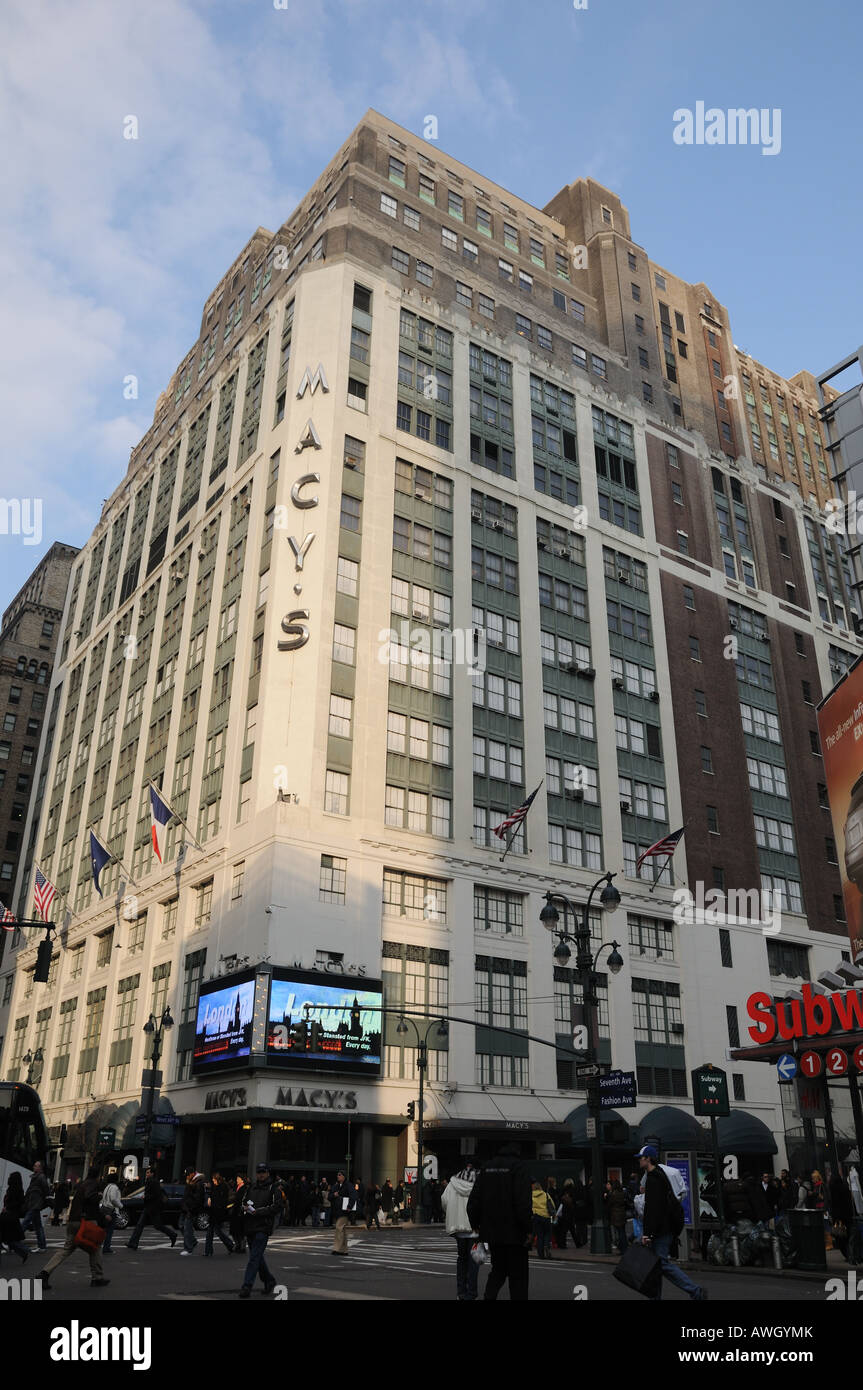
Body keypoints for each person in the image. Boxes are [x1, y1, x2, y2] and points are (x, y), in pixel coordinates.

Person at [637, 1146, 707, 1301]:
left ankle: (695, 1291)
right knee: (656, 1266)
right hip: (665, 1228)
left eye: (641, 1157)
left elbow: (652, 1208)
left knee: (661, 1264)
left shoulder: (653, 1178)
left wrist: (648, 1233)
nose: (639, 1160)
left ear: (648, 1158)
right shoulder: (660, 1175)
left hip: (661, 1230)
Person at [466, 1143, 532, 1302]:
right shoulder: (519, 1167)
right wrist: (528, 1229)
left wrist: (476, 1225)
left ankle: (489, 1297)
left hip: (492, 1231)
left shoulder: (487, 1168)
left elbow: (473, 1202)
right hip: (515, 1232)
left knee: (498, 1271)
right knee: (518, 1277)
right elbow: (523, 1202)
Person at [38, 1167, 109, 1291]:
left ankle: (44, 1273)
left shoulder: (82, 1184)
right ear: (98, 1176)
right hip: (85, 1221)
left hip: (73, 1221)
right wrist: (99, 1196)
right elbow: (90, 1199)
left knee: (67, 1249)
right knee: (95, 1247)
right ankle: (97, 1278)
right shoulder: (92, 1184)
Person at [238, 1162, 283, 1298]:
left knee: (254, 1257)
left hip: (263, 1226)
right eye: (259, 1172)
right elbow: (243, 1202)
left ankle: (247, 1286)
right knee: (256, 1257)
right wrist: (245, 1208)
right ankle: (269, 1280)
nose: (261, 1174)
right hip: (250, 1225)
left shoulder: (274, 1188)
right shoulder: (251, 1187)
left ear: (268, 1173)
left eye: (263, 1172)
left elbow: (277, 1207)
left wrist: (258, 1212)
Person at [442, 1161, 479, 1300]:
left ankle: (461, 1292)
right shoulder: (479, 1183)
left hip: (458, 1227)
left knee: (462, 1260)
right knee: (474, 1262)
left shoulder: (452, 1183)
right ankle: (472, 1292)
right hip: (475, 1229)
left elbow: (444, 1200)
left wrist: (452, 1212)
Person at [126, 1167, 176, 1249]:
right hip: (149, 1208)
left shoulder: (153, 1182)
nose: (147, 1174)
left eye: (148, 1172)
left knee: (157, 1225)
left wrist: (145, 1197)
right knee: (140, 1225)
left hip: (152, 1208)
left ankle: (172, 1234)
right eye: (147, 1173)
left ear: (152, 1174)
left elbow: (156, 1195)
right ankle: (133, 1243)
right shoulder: (151, 1182)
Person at [20, 1161, 50, 1251]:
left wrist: (41, 1198)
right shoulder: (36, 1177)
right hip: (33, 1204)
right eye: (34, 1166)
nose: (34, 1167)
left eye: (35, 1166)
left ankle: (13, 1242)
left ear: (40, 1168)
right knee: (38, 1226)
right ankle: (42, 1246)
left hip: (35, 1204)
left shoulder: (41, 1177)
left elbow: (46, 1189)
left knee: (25, 1223)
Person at [205, 1171, 236, 1255]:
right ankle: (209, 1251)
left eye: (214, 1179)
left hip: (218, 1212)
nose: (213, 1181)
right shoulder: (217, 1187)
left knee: (216, 1232)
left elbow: (222, 1201)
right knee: (213, 1232)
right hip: (215, 1212)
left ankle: (229, 1245)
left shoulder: (222, 1187)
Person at [1, 1172, 29, 1262]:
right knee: (9, 1238)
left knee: (8, 1238)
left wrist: (7, 1207)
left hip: (10, 1216)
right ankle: (23, 1252)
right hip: (9, 1215)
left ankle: (24, 1251)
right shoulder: (15, 1189)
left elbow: (18, 1203)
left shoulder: (15, 1190)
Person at [828, 1167, 855, 1261]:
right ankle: (851, 1254)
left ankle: (848, 1255)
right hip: (847, 1216)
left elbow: (834, 1206)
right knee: (848, 1236)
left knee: (840, 1237)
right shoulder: (845, 1188)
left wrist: (835, 1217)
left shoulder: (833, 1191)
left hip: (839, 1218)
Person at [330, 1171, 358, 1255]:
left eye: (340, 1175)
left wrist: (349, 1206)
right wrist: (334, 1195)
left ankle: (337, 1249)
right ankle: (344, 1250)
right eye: (337, 1175)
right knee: (342, 1230)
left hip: (345, 1210)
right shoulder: (336, 1186)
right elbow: (329, 1196)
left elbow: (353, 1196)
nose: (338, 1176)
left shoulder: (348, 1185)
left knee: (339, 1228)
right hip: (337, 1210)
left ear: (344, 1176)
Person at [180, 1169, 206, 1254]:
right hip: (186, 1208)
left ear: (192, 1174)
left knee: (187, 1228)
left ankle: (188, 1248)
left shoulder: (198, 1183)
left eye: (188, 1175)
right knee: (181, 1225)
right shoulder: (192, 1181)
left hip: (191, 1209)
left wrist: (191, 1209)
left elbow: (197, 1198)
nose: (187, 1177)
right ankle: (192, 1242)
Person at [100, 1173, 124, 1254]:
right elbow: (113, 1199)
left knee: (104, 1229)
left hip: (104, 1208)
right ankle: (106, 1248)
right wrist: (120, 1206)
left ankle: (101, 1246)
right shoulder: (114, 1187)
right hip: (111, 1209)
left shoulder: (107, 1187)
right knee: (109, 1231)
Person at [531, 1179, 555, 1259]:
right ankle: (546, 1246)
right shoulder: (546, 1195)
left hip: (536, 1217)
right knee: (547, 1234)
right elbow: (552, 1205)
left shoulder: (530, 1195)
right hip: (546, 1217)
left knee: (539, 1235)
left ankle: (540, 1254)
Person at [605, 1179, 629, 1254]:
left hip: (616, 1214)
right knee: (622, 1232)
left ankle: (623, 1249)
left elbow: (610, 1204)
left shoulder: (613, 1194)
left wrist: (607, 1197)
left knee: (620, 1232)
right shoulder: (622, 1193)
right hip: (622, 1213)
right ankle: (624, 1248)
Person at [229, 1176, 248, 1254]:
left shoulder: (244, 1188)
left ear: (242, 1180)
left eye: (238, 1179)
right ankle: (238, 1245)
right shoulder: (237, 1187)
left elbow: (240, 1199)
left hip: (240, 1211)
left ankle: (241, 1247)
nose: (237, 1180)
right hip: (235, 1211)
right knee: (234, 1230)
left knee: (240, 1230)